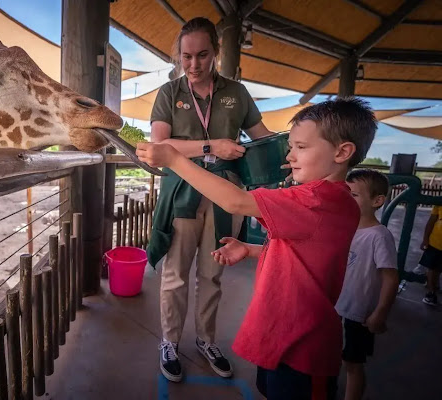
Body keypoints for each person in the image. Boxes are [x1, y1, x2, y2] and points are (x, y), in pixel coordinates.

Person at [137, 97, 378, 400]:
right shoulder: (338, 200)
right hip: (287, 334)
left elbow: (235, 201)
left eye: (301, 148)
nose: (290, 156)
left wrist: (174, 160)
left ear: (342, 152)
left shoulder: (315, 199)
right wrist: (252, 250)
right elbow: (308, 255)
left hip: (299, 345)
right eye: (291, 146)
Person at [146, 17, 272, 382]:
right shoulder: (170, 93)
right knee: (175, 275)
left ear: (216, 52)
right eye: (186, 57)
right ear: (179, 56)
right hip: (183, 191)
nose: (194, 65)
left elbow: (262, 137)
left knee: (213, 274)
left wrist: (295, 147)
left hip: (226, 193)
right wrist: (212, 145)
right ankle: (169, 341)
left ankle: (206, 339)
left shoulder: (237, 93)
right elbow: (160, 145)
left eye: (202, 55)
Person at [335, 169, 399, 400]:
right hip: (334, 307)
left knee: (352, 364)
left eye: (353, 195)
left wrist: (380, 313)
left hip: (358, 314)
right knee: (330, 356)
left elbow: (390, 277)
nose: (346, 199)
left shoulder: (378, 236)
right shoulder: (343, 228)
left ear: (377, 201)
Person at [419, 205, 442, 306]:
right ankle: (431, 292)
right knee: (431, 267)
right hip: (435, 242)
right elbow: (431, 221)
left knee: (437, 269)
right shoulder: (439, 202)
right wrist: (425, 239)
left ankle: (433, 286)